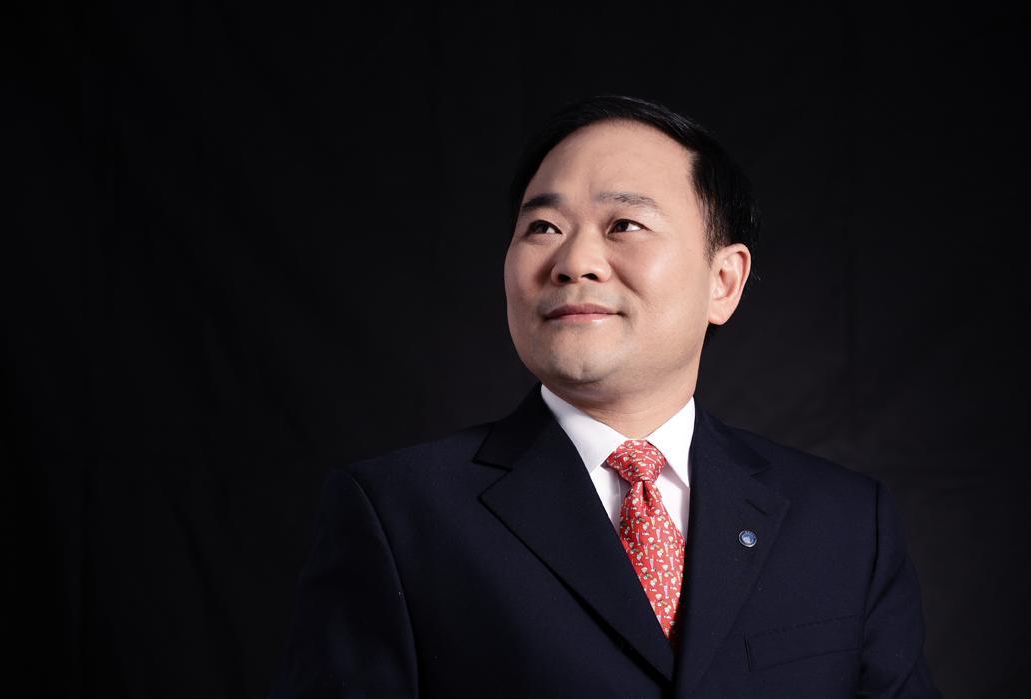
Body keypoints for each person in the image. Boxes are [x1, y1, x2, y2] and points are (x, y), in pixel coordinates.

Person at [269, 95, 939, 697]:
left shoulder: (847, 523)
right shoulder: (397, 515)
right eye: (543, 227)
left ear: (724, 281)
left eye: (624, 225)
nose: (574, 262)